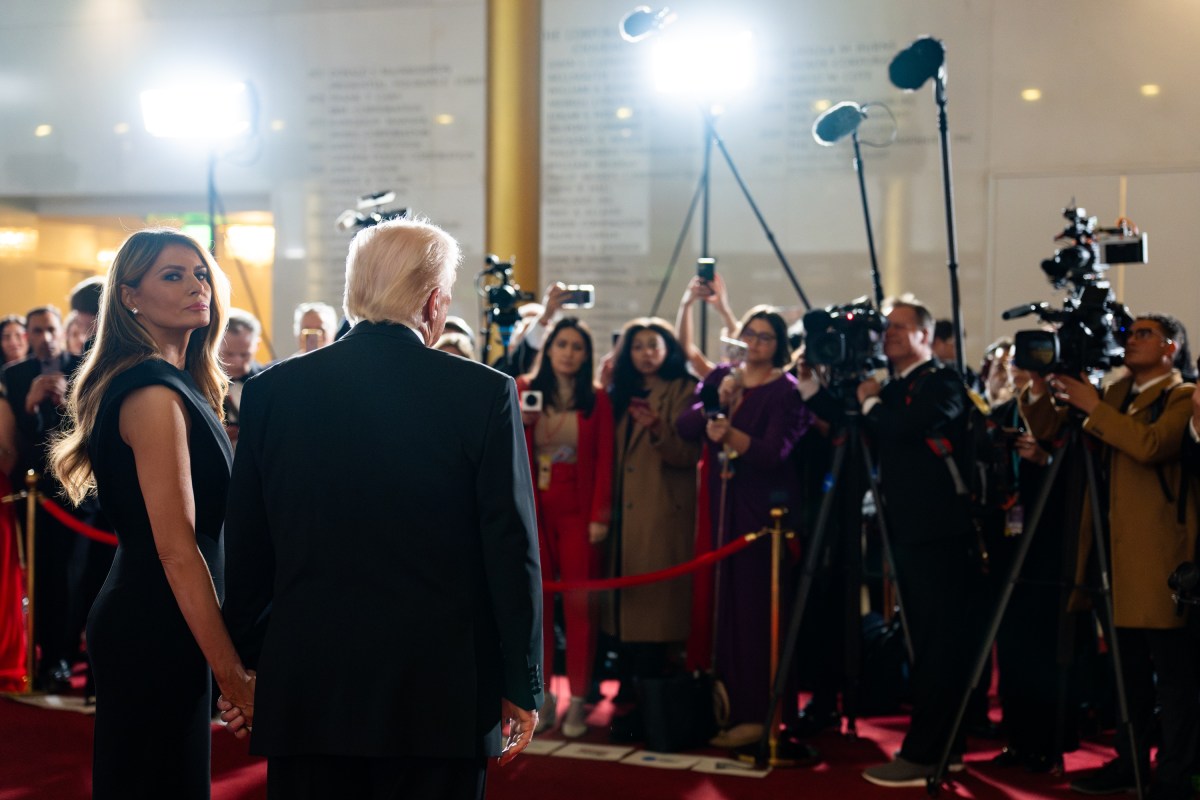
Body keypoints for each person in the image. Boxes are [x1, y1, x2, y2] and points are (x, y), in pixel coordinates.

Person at [221, 217, 543, 800]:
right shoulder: (482, 393)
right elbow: (509, 546)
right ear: (434, 300)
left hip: (309, 682)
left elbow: (247, 542)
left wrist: (243, 667)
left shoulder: (271, 392)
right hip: (439, 688)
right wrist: (521, 679)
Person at [48, 228, 254, 798]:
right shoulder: (153, 393)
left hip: (172, 619)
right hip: (153, 624)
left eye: (201, 273)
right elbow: (176, 547)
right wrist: (232, 676)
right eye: (173, 275)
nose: (197, 285)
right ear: (130, 296)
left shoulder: (182, 384)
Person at [1024, 314, 1199, 800]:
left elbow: (1150, 445)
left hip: (1160, 555)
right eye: (1129, 332)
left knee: (1174, 676)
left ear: (1172, 347)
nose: (1130, 340)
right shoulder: (1116, 395)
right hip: (1109, 552)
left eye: (1143, 333)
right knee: (1127, 673)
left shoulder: (1184, 396)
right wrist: (1044, 384)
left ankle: (1174, 774)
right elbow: (1047, 431)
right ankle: (1129, 762)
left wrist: (1092, 406)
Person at [676, 305, 813, 747]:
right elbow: (685, 423)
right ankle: (725, 706)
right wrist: (716, 405)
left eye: (764, 337)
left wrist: (730, 435)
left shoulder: (786, 391)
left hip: (762, 514)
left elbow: (776, 451)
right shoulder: (724, 376)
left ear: (779, 346)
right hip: (721, 508)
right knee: (724, 608)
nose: (754, 344)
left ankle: (761, 713)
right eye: (748, 335)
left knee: (756, 612)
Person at [858, 299, 979, 787]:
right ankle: (943, 748)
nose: (887, 333)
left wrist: (870, 401)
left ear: (926, 336)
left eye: (898, 327)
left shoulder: (944, 382)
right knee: (923, 642)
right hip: (908, 532)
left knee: (937, 644)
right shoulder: (895, 386)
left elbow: (904, 426)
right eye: (884, 327)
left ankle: (929, 751)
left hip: (941, 534)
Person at [517, 317, 613, 739]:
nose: (569, 353)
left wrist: (599, 516)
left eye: (577, 346)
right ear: (549, 348)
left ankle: (577, 698)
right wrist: (523, 421)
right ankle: (542, 699)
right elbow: (510, 450)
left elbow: (606, 460)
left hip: (579, 509)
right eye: (562, 344)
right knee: (537, 608)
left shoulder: (597, 399)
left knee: (578, 608)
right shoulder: (523, 388)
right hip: (534, 507)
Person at [603, 318, 700, 734]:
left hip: (661, 511)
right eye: (638, 345)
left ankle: (648, 698)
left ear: (669, 349)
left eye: (654, 345)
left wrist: (658, 428)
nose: (646, 353)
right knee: (622, 606)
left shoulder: (684, 389)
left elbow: (688, 453)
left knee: (654, 608)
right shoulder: (615, 392)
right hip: (619, 512)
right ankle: (626, 688)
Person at [2, 305, 86, 690]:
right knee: (37, 573)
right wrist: (29, 404)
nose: (44, 337)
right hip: (31, 490)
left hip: (76, 492)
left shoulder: (82, 366)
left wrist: (67, 401)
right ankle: (42, 655)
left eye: (50, 329)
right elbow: (12, 440)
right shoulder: (14, 375)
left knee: (73, 576)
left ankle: (65, 656)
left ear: (62, 330)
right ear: (28, 335)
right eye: (36, 331)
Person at [220, 308, 264, 446]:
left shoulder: (268, 380)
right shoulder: (198, 381)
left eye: (245, 354)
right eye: (229, 354)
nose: (237, 362)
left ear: (257, 345)